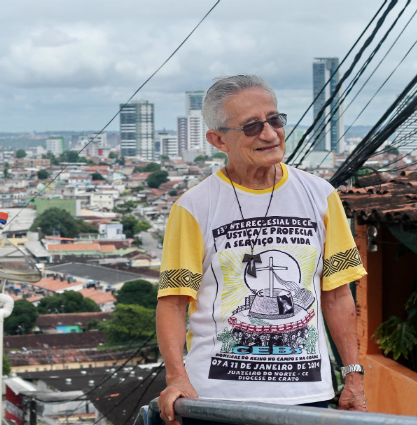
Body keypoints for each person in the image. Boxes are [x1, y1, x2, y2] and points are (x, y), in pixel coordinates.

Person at [156, 75, 368, 425]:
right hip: (216, 397)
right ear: (217, 139)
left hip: (305, 395)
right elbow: (173, 301)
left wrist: (353, 376)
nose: (269, 134)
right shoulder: (194, 206)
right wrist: (176, 377)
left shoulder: (320, 196)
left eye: (275, 120)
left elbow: (337, 295)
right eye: (251, 127)